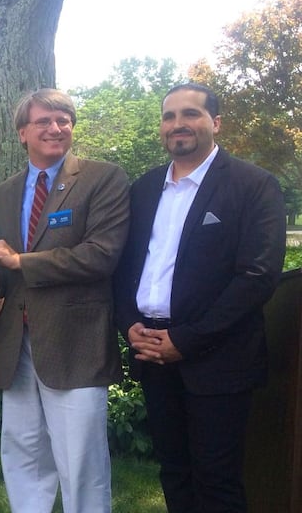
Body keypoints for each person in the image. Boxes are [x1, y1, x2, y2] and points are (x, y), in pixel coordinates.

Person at [114, 83, 286, 512]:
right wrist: (128, 323)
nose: (178, 124)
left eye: (190, 114)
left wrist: (186, 341)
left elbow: (257, 277)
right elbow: (127, 267)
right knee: (174, 472)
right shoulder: (145, 188)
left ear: (215, 122)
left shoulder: (253, 185)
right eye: (169, 116)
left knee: (217, 482)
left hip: (219, 360)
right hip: (153, 352)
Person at [0, 88, 129, 513]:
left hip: (75, 342)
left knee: (81, 462)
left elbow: (101, 255)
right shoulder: (2, 194)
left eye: (64, 120)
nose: (56, 128)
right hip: (17, 346)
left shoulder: (103, 178)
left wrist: (19, 259)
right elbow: (4, 279)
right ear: (22, 132)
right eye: (44, 121)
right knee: (23, 454)